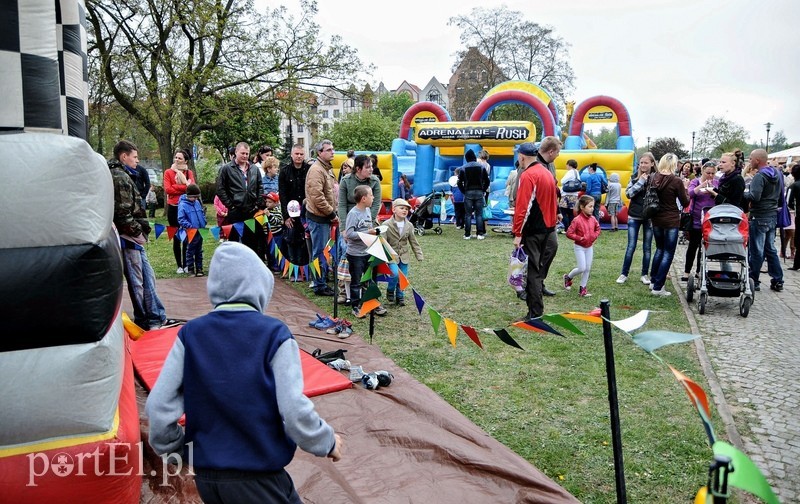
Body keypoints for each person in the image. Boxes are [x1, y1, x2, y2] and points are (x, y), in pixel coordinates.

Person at [145, 242, 343, 504]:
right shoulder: (274, 334)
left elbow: (158, 407)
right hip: (259, 479)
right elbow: (294, 410)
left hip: (207, 478)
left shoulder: (190, 334)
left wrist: (179, 452)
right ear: (260, 286)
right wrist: (325, 441)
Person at [108, 140, 173, 330]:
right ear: (124, 156)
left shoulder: (124, 175)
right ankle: (146, 319)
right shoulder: (120, 177)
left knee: (147, 276)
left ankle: (155, 316)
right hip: (129, 237)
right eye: (135, 157)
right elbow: (122, 212)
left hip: (134, 235)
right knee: (137, 281)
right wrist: (137, 231)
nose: (137, 161)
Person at [512, 137, 562, 320]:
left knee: (532, 273)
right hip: (549, 230)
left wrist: (517, 234)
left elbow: (522, 208)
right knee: (538, 271)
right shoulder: (547, 172)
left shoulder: (528, 175)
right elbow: (555, 198)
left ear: (522, 157)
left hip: (534, 231)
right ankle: (536, 300)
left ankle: (535, 313)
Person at [649, 153, 689, 297]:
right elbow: (685, 203)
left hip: (656, 218)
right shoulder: (676, 181)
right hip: (671, 219)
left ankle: (653, 280)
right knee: (668, 252)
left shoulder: (653, 178)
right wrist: (685, 188)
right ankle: (658, 287)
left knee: (659, 249)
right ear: (674, 164)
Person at [744, 149, 783, 292]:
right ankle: (778, 279)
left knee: (757, 251)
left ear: (757, 160)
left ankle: (754, 279)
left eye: (751, 158)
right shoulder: (776, 174)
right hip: (772, 215)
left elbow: (755, 197)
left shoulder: (760, 176)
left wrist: (744, 193)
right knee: (770, 249)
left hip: (759, 216)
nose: (749, 161)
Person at [304, 139, 339, 296]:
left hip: (324, 217)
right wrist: (331, 213)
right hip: (319, 218)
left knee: (323, 251)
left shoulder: (326, 169)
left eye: (332, 149)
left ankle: (322, 281)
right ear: (319, 153)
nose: (333, 152)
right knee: (319, 252)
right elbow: (317, 196)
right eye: (329, 149)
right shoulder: (316, 170)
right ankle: (319, 285)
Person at [346, 186, 387, 318]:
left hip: (369, 252)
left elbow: (368, 228)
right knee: (357, 281)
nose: (373, 197)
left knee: (370, 280)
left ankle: (372, 304)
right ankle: (355, 306)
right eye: (371, 195)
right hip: (356, 254)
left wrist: (374, 231)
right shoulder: (353, 214)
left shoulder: (368, 211)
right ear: (363, 199)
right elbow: (349, 234)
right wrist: (366, 233)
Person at [216, 142, 263, 254]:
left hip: (251, 210)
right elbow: (220, 189)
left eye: (247, 153)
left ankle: (250, 267)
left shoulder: (254, 169)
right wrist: (230, 205)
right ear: (236, 152)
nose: (245, 156)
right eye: (242, 153)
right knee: (234, 241)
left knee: (252, 242)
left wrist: (257, 203)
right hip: (235, 210)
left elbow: (260, 186)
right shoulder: (226, 169)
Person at [617, 152, 656, 285]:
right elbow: (628, 194)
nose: (643, 165)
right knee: (631, 246)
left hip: (650, 216)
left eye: (646, 162)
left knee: (647, 247)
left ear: (652, 164)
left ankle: (644, 274)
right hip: (634, 215)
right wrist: (641, 182)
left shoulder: (656, 178)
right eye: (641, 163)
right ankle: (624, 273)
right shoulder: (634, 178)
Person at [384, 198, 424, 306]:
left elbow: (413, 242)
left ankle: (400, 296)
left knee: (403, 277)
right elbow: (383, 241)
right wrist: (386, 255)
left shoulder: (409, 225)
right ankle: (390, 290)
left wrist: (419, 254)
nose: (404, 210)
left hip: (404, 256)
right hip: (392, 256)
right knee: (395, 274)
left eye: (406, 209)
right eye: (401, 208)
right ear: (394, 210)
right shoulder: (387, 224)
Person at [682, 161, 718, 281]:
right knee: (693, 245)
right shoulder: (695, 181)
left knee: (705, 247)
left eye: (713, 173)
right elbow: (690, 194)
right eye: (708, 173)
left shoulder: (717, 182)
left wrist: (713, 192)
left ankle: (699, 271)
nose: (710, 176)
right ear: (702, 171)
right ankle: (687, 272)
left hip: (710, 219)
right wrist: (701, 186)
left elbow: (720, 196)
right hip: (696, 218)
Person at [164, 149, 196, 274]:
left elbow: (192, 189)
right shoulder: (168, 172)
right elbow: (168, 190)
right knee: (177, 236)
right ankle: (179, 265)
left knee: (187, 236)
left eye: (180, 158)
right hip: (173, 207)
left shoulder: (189, 173)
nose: (177, 160)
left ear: (185, 160)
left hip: (186, 207)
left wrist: (179, 187)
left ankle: (187, 263)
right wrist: (184, 187)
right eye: (175, 157)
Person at [563, 195, 601, 297]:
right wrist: (580, 238)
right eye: (590, 206)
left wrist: (594, 236)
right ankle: (568, 277)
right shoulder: (577, 220)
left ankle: (583, 289)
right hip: (579, 247)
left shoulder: (593, 219)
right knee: (582, 268)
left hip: (589, 247)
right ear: (582, 207)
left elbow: (598, 229)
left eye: (593, 206)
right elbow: (569, 233)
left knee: (587, 268)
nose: (592, 209)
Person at [457, 149, 490, 240]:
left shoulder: (463, 168)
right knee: (479, 214)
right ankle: (480, 234)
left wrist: (464, 191)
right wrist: (483, 190)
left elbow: (459, 182)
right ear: (474, 158)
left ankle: (467, 234)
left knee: (468, 214)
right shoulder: (481, 167)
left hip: (468, 193)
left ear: (467, 158)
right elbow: (487, 181)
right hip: (479, 192)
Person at [177, 183, 207, 276]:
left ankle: (199, 268)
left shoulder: (197, 203)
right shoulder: (182, 205)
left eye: (197, 197)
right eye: (194, 197)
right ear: (189, 196)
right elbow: (181, 219)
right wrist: (190, 226)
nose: (196, 199)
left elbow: (201, 213)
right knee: (190, 250)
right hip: (190, 232)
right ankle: (190, 269)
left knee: (199, 250)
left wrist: (204, 221)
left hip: (200, 230)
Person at [278, 144, 310, 231]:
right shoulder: (284, 172)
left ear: (304, 155)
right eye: (296, 154)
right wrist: (286, 216)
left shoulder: (310, 170)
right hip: (291, 213)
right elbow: (282, 195)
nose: (299, 156)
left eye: (301, 154)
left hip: (307, 212)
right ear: (291, 155)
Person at [559, 159, 581, 231]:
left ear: (569, 165)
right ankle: (571, 228)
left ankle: (567, 228)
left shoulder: (570, 172)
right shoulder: (577, 172)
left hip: (566, 195)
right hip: (574, 195)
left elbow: (562, 181)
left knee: (563, 211)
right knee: (571, 212)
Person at [263, 192, 284, 272]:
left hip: (276, 235)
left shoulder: (277, 211)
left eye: (270, 202)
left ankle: (277, 267)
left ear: (276, 203)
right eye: (266, 202)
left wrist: (269, 215)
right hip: (267, 235)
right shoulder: (265, 210)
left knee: (275, 251)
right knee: (268, 251)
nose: (267, 204)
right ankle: (270, 265)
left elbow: (277, 221)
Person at [787, 164, 800, 271]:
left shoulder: (794, 186)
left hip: (799, 215)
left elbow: (788, 201)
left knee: (798, 240)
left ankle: (797, 263)